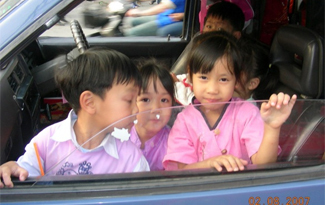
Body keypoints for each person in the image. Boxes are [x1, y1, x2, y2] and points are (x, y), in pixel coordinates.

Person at [0, 48, 150, 188]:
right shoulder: (48, 142)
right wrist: (12, 168)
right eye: (129, 100)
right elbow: (24, 176)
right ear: (89, 102)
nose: (136, 109)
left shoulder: (131, 160)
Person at [163, 32, 297, 172]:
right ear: (190, 76)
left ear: (236, 81)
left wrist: (272, 128)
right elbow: (178, 171)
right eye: (203, 77)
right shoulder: (184, 121)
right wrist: (210, 164)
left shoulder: (248, 114)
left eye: (223, 79)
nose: (213, 89)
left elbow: (264, 164)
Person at [171, 1, 245, 75]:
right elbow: (178, 73)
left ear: (235, 36)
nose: (211, 32)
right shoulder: (198, 43)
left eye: (220, 29)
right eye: (209, 26)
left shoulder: (235, 58)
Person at [130, 60, 175, 171]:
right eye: (145, 99)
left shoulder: (174, 141)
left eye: (164, 100)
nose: (156, 109)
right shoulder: (120, 137)